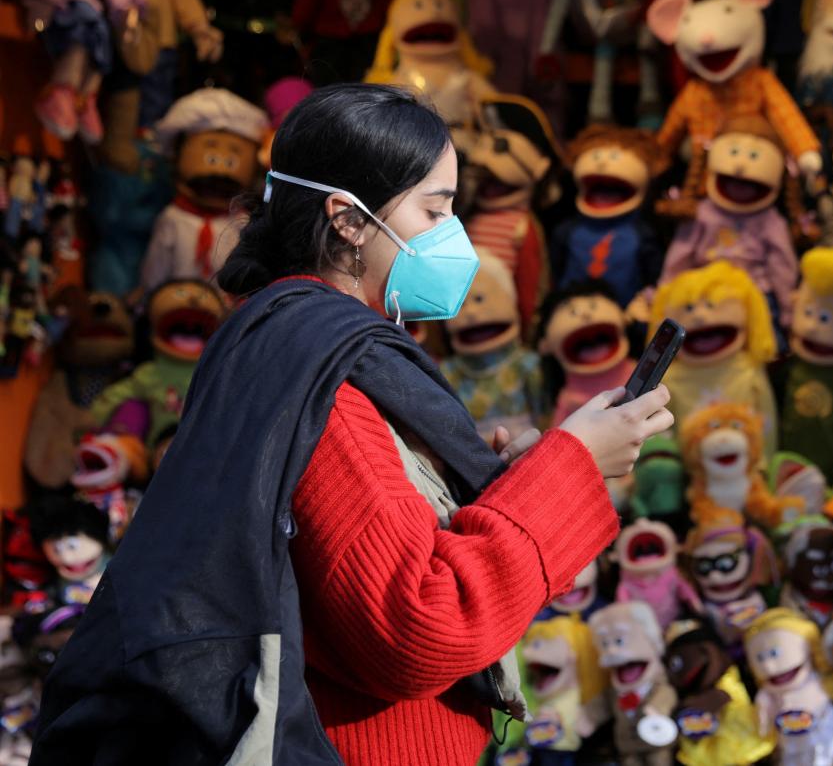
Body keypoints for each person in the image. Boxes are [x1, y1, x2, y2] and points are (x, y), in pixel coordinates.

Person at [30, 84, 673, 766]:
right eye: (435, 208)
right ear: (348, 220)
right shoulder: (321, 375)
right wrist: (572, 465)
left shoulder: (287, 341)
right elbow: (416, 623)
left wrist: (488, 480)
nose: (452, 233)